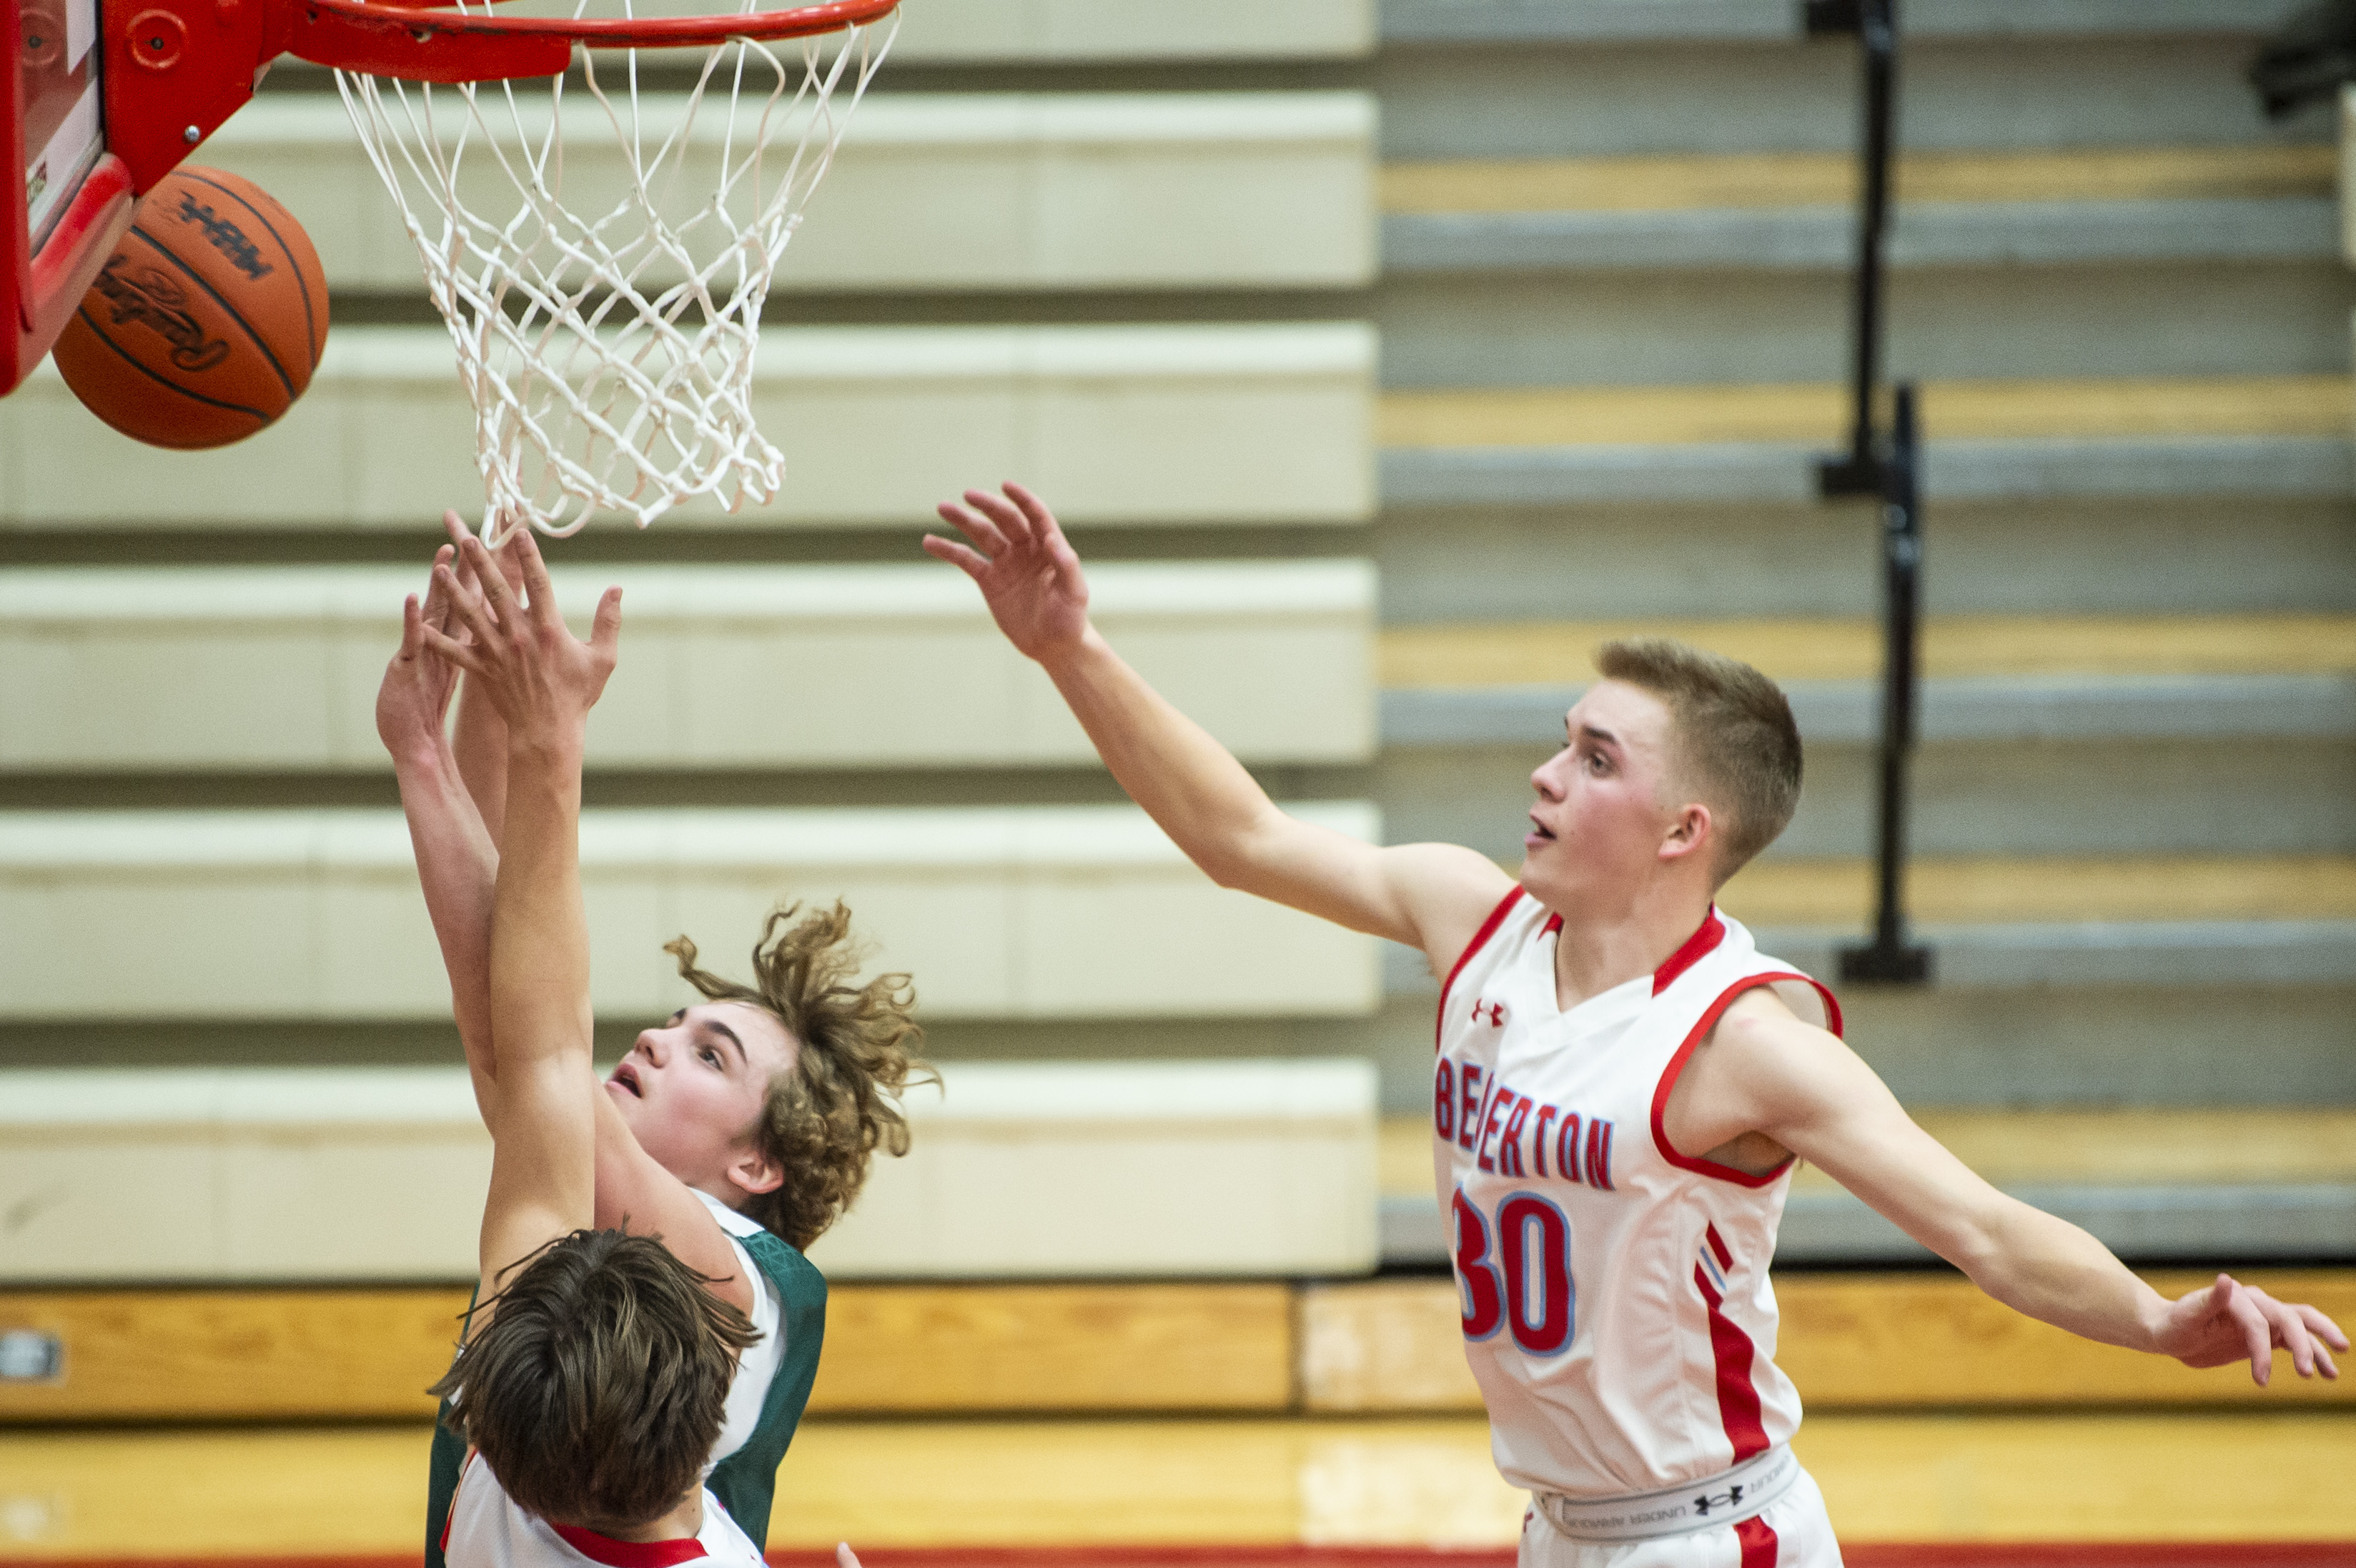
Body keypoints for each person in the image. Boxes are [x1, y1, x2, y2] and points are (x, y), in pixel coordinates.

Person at [924, 481, 2348, 1568]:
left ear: (1685, 828)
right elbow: (1238, 836)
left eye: (1592, 756)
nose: (1545, 773)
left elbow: (1982, 1226)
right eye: (1561, 737)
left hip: (1711, 1535)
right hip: (1560, 1527)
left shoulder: (1743, 1037)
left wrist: (2164, 1322)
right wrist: (1069, 648)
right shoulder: (1467, 915)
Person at [377, 519, 932, 1562]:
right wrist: (468, 748)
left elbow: (528, 1042)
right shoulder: (600, 1287)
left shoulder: (752, 1292)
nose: (657, 1040)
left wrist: (460, 754)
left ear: (757, 1162)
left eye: (711, 1053)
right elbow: (527, 1040)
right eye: (679, 1025)